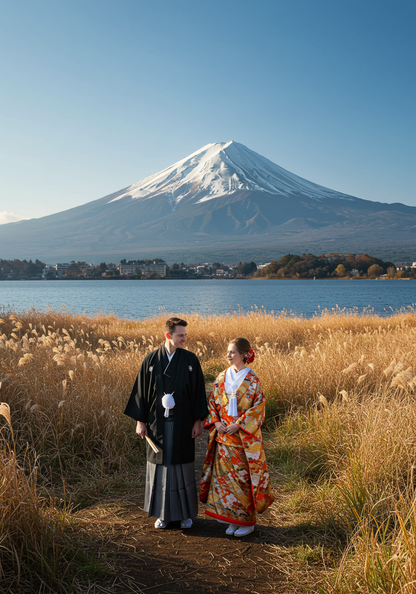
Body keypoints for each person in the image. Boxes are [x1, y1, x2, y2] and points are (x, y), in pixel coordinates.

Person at [124, 317, 208, 530]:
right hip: (156, 424)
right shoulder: (151, 360)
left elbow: (198, 392)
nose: (185, 339)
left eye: (185, 335)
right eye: (181, 335)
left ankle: (185, 515)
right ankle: (163, 514)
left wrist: (197, 421)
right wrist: (140, 421)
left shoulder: (190, 360)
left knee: (182, 467)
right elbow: (141, 392)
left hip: (183, 423)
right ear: (169, 335)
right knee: (160, 468)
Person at [199, 337, 274, 537]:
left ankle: (247, 522)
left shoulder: (253, 380)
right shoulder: (221, 377)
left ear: (243, 354)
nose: (228, 355)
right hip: (223, 436)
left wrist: (238, 424)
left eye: (232, 352)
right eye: (228, 351)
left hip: (241, 439)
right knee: (224, 480)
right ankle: (229, 518)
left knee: (242, 479)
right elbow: (213, 401)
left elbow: (258, 408)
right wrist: (215, 422)